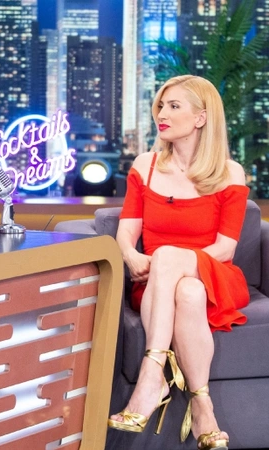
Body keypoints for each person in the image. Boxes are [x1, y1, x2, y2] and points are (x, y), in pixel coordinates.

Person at [107, 75, 249, 450]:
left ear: (201, 117)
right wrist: (131, 256)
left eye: (173, 106)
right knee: (187, 293)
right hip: (156, 285)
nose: (162, 115)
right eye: (160, 106)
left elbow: (225, 249)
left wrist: (170, 262)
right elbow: (126, 233)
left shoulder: (229, 172)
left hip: (215, 274)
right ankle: (203, 408)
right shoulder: (146, 165)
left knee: (172, 259)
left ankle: (152, 376)